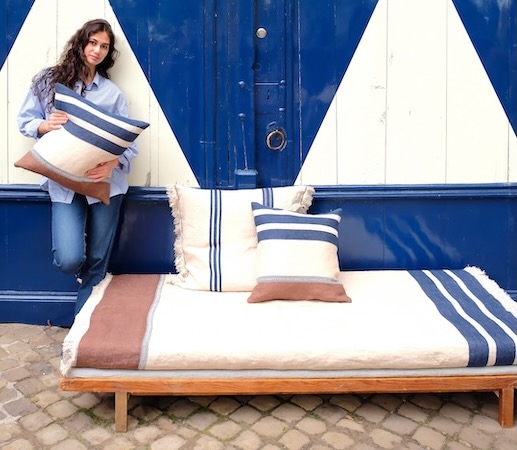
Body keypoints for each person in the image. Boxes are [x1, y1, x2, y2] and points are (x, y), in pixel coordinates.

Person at [17, 19, 138, 317]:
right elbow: (25, 121)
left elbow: (130, 144)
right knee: (69, 259)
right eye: (92, 42)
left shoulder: (112, 94)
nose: (97, 50)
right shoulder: (47, 81)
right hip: (63, 181)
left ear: (108, 53)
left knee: (98, 259)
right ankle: (90, 286)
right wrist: (45, 125)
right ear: (80, 42)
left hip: (105, 185)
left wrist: (112, 163)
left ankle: (83, 323)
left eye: (104, 46)